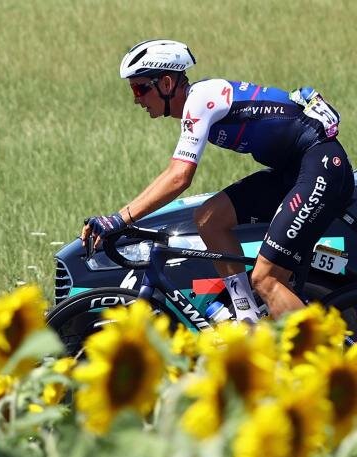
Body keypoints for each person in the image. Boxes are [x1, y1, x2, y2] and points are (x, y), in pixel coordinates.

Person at [81, 39, 354, 320]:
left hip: (321, 166)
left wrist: (119, 219)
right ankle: (247, 315)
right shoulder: (198, 102)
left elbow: (179, 177)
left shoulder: (201, 99)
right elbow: (173, 172)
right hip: (294, 172)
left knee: (266, 279)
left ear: (165, 83)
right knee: (209, 219)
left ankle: (321, 354)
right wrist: (120, 216)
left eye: (140, 88)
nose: (136, 99)